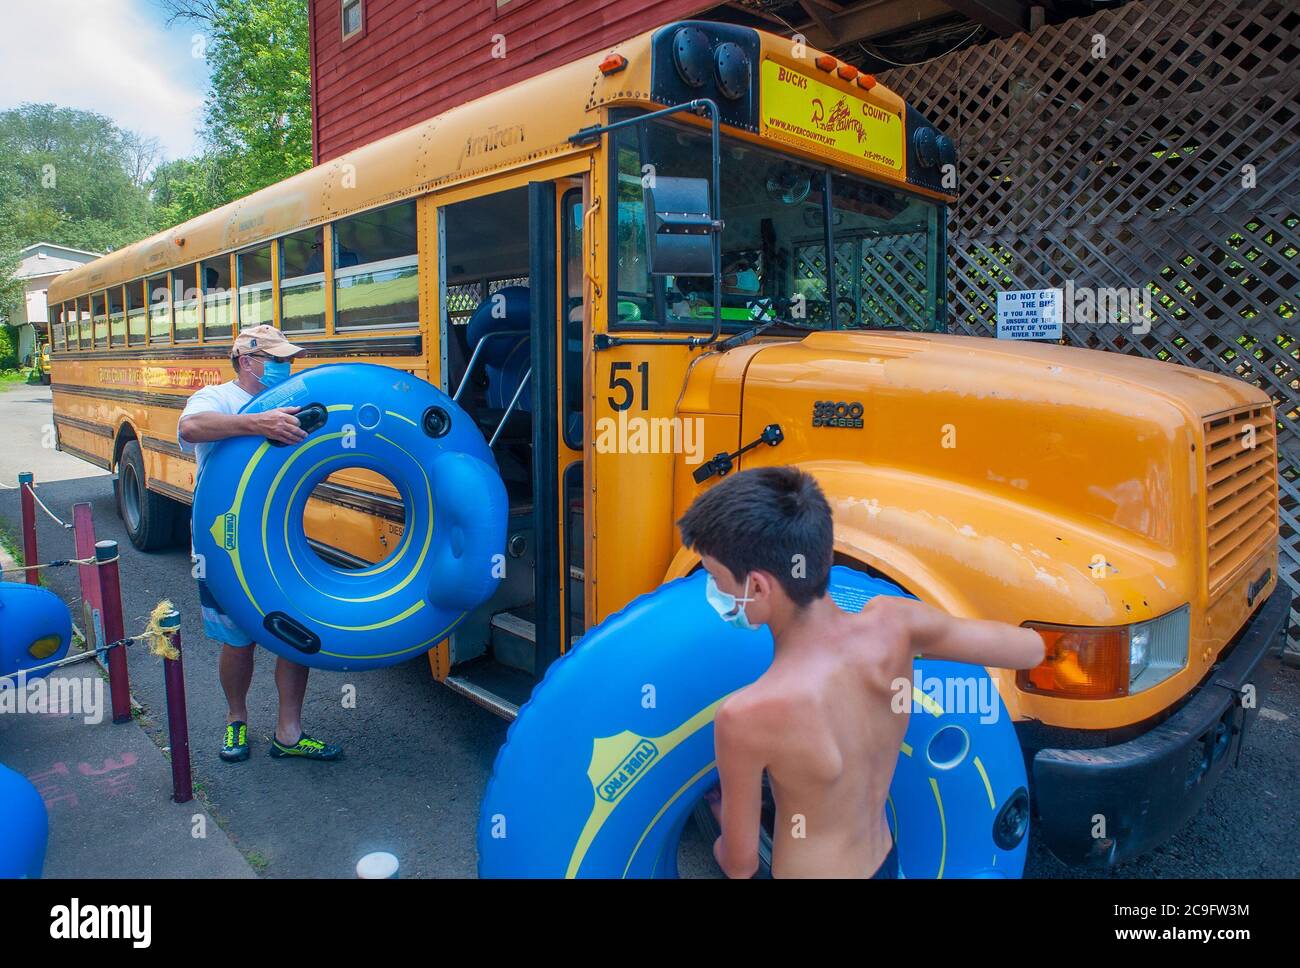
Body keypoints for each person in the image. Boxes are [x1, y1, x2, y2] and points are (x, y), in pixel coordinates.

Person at [676, 466, 1045, 878]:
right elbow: (1029, 650)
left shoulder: (745, 715)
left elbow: (740, 864)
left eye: (716, 578)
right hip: (884, 861)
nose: (714, 591)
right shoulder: (897, 625)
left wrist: (721, 817)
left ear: (759, 588)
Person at [177, 324, 343, 764]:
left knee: (295, 632)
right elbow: (190, 427)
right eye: (277, 359)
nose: (286, 366)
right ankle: (236, 720)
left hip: (282, 542)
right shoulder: (218, 398)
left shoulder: (296, 403)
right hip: (225, 544)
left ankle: (289, 732)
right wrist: (256, 422)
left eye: (289, 359)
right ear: (247, 361)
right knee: (239, 640)